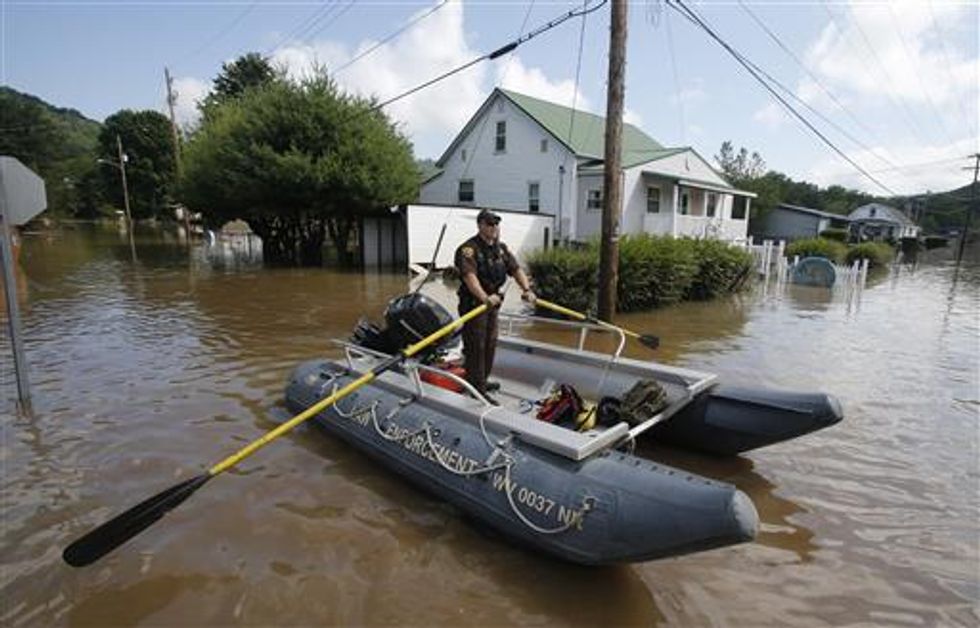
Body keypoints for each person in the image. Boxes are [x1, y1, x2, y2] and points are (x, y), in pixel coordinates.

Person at [454, 209, 536, 399]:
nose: (494, 228)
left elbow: (516, 269)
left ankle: (482, 379)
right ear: (480, 225)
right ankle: (477, 390)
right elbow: (469, 277)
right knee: (477, 346)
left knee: (490, 344)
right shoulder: (468, 249)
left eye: (496, 224)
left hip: (493, 305)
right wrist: (484, 298)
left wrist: (526, 289)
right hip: (475, 305)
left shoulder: (501, 249)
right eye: (490, 224)